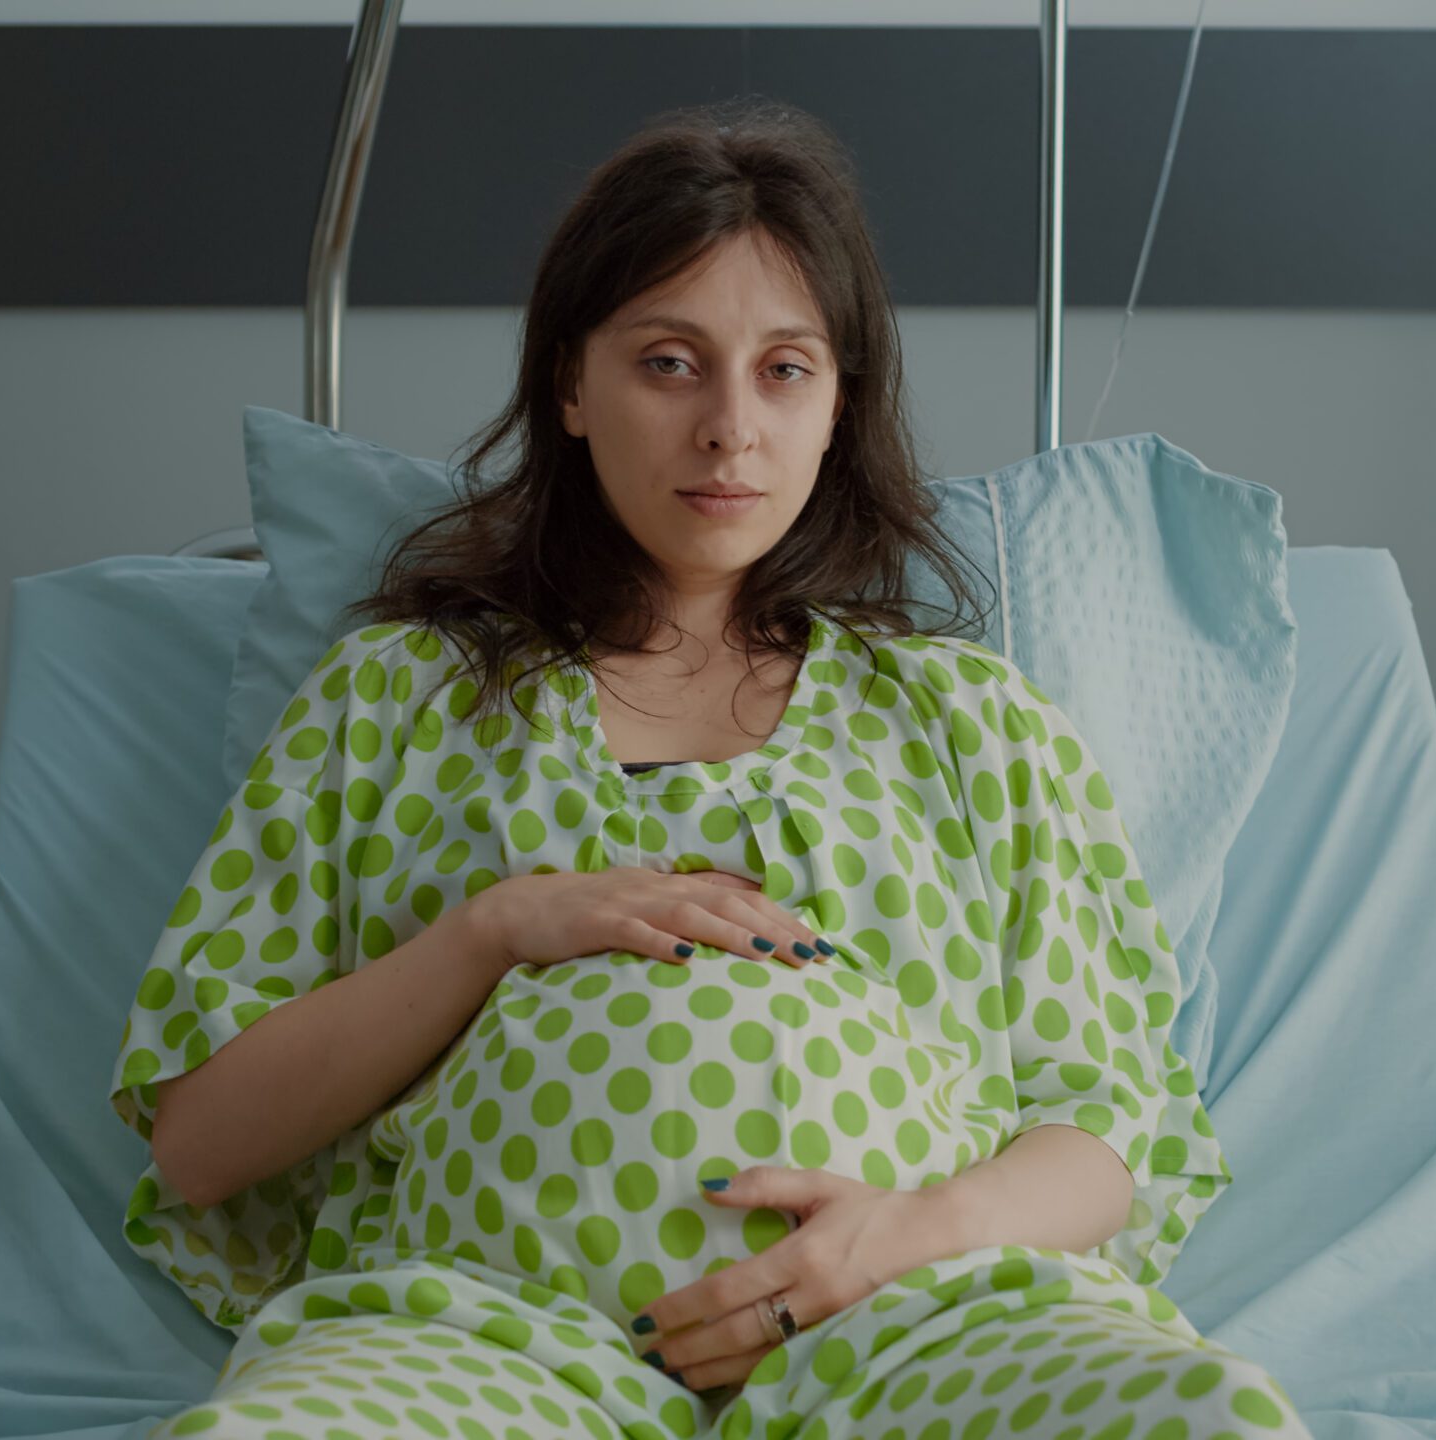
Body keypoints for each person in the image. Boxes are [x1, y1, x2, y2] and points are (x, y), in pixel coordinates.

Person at [109, 97, 1309, 1440]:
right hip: (487, 1334)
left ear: (840, 397)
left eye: (785, 368)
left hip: (918, 1321)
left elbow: (1109, 1131)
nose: (731, 428)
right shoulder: (397, 703)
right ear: (571, 384)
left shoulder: (971, 724)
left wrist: (906, 1237)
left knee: (1207, 1421)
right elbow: (202, 1144)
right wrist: (498, 930)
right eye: (671, 363)